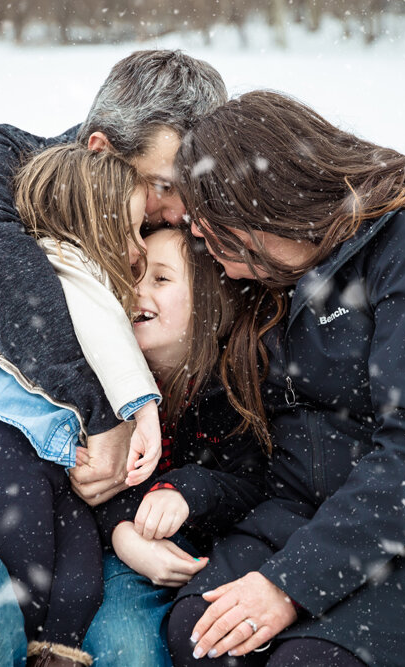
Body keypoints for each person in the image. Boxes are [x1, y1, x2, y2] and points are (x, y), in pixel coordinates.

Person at [165, 90, 405, 667]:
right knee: (202, 636)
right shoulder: (270, 281)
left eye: (212, 226)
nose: (200, 240)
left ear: (262, 208)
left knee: (313, 662)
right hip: (306, 519)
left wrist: (289, 586)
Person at [0, 50, 226, 667]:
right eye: (165, 185)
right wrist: (104, 415)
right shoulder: (0, 163)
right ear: (100, 150)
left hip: (107, 503)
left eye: (192, 190)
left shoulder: (179, 228)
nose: (178, 213)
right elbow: (5, 277)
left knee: (131, 654)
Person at [0, 143, 161, 666]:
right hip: (12, 442)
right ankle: (32, 647)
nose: (139, 248)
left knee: (78, 579)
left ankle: (56, 652)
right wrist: (142, 410)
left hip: (58, 457)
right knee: (26, 568)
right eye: (131, 231)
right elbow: (107, 336)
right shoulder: (65, 260)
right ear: (92, 222)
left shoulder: (88, 275)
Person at [83, 227, 268, 666]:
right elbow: (84, 482)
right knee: (122, 644)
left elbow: (254, 486)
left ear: (209, 300)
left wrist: (186, 490)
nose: (137, 290)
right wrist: (123, 533)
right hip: (123, 551)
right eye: (133, 276)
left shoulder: (232, 390)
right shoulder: (103, 385)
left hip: (214, 559)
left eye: (160, 279)